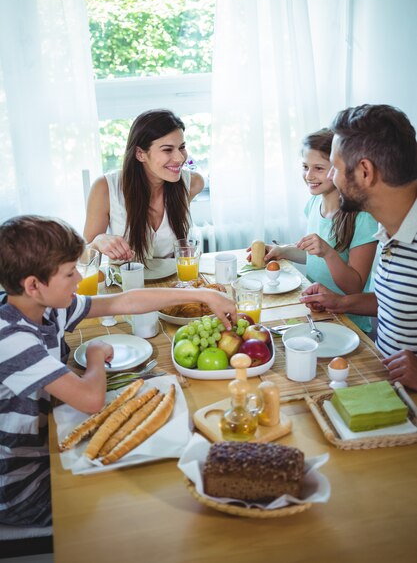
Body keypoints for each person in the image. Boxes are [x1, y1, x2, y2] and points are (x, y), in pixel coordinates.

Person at [0, 215, 236, 528]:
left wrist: (202, 294)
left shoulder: (46, 306)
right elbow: (90, 400)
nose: (81, 278)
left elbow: (123, 301)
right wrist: (96, 355)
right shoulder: (11, 338)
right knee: (150, 505)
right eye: (71, 273)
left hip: (50, 442)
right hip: (24, 483)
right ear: (33, 285)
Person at [300, 104, 417, 391]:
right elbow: (397, 303)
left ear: (365, 171)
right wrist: (341, 303)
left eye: (335, 168)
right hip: (386, 386)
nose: (330, 178)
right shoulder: (390, 228)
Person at [252, 129, 378, 332]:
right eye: (305, 167)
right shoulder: (314, 203)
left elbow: (354, 287)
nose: (309, 176)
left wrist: (328, 253)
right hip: (316, 312)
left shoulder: (363, 217)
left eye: (319, 168)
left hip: (348, 324)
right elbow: (314, 254)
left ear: (340, 168)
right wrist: (282, 250)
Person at [84, 109, 204, 263]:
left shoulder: (192, 183)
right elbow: (82, 260)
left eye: (181, 147)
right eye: (167, 149)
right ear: (140, 154)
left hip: (174, 283)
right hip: (126, 284)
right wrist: (96, 243)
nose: (180, 158)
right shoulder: (105, 188)